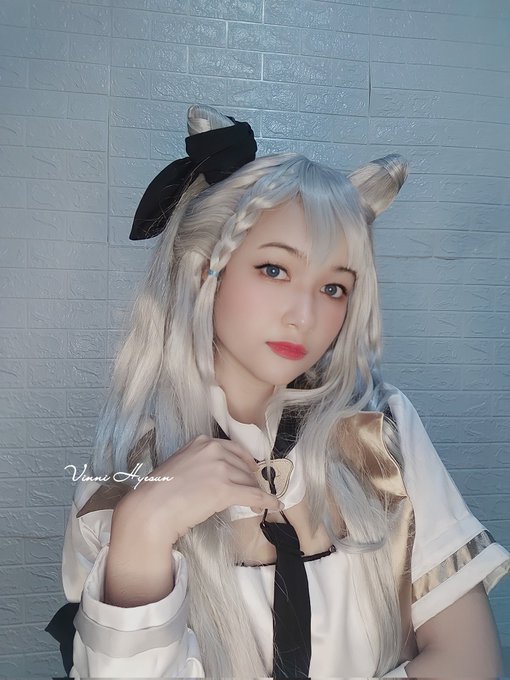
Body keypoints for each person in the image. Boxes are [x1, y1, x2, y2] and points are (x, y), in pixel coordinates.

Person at [47, 104, 510, 678]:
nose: (304, 315)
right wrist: (143, 528)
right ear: (205, 271)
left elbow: (470, 661)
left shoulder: (379, 429)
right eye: (274, 270)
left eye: (334, 287)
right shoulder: (127, 471)